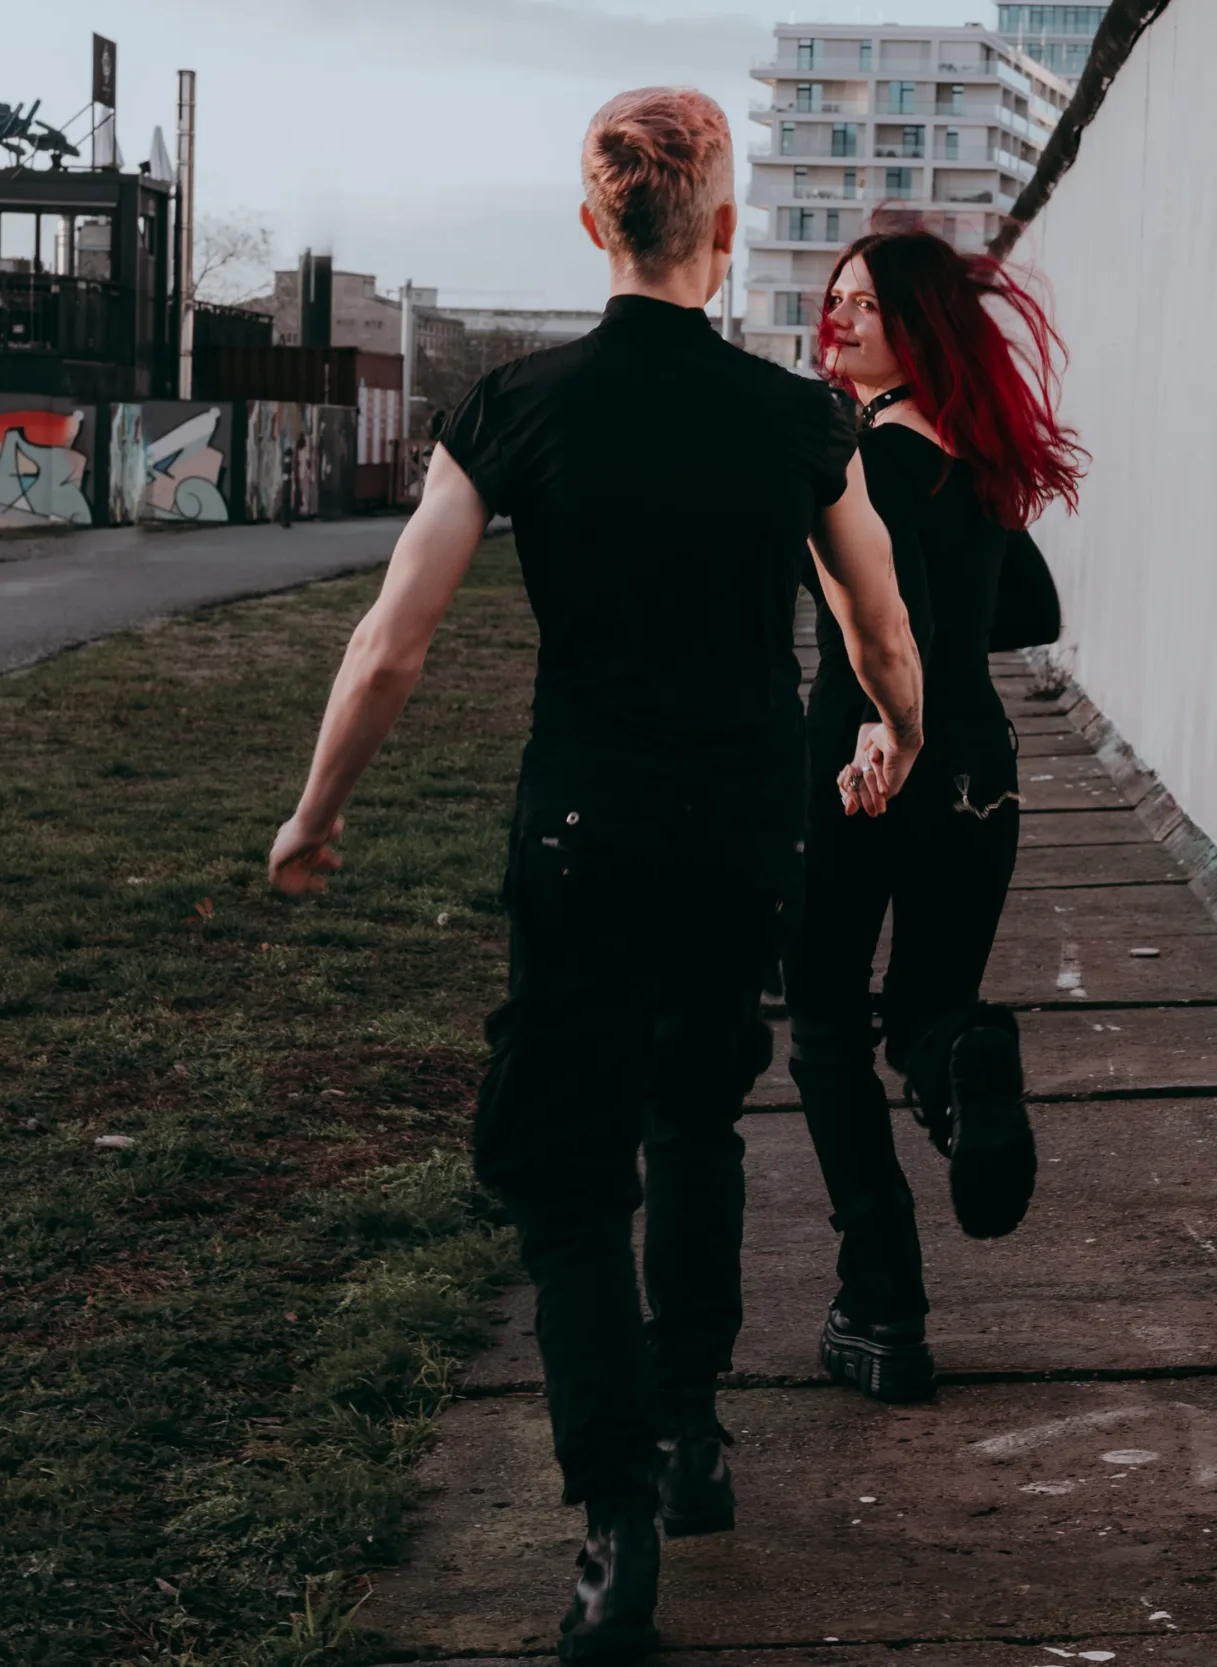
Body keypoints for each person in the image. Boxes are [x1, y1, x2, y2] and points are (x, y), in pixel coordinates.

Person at [265, 88, 925, 1665]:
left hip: (580, 833)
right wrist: (900, 733)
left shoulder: (516, 406)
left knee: (568, 1172)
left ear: (592, 227)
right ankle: (690, 1431)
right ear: (726, 232)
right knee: (695, 1117)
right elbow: (879, 623)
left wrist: (314, 813)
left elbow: (391, 641)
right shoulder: (794, 420)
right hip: (738, 833)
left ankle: (616, 1515)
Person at [782, 229, 1085, 1404]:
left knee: (819, 1022)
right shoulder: (976, 460)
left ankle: (883, 1301)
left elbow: (871, 627)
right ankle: (971, 1059)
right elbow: (1035, 610)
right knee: (927, 1009)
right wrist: (952, 627)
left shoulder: (858, 458)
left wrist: (883, 698)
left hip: (860, 763)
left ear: (918, 326)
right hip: (982, 773)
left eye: (866, 305)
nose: (839, 321)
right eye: (834, 299)